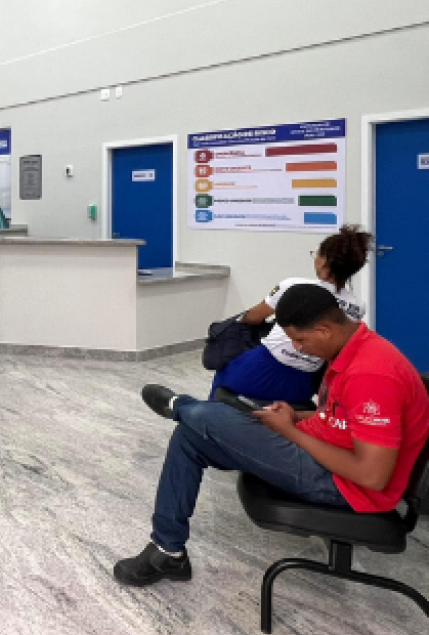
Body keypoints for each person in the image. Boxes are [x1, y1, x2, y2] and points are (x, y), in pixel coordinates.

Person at [113, 283, 429, 587]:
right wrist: (296, 417)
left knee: (206, 416)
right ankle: (168, 552)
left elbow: (372, 476)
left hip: (346, 487)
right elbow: (342, 420)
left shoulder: (372, 374)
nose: (298, 348)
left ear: (324, 330)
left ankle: (180, 405)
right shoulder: (352, 349)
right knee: (191, 436)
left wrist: (290, 431)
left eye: (300, 340)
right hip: (326, 457)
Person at [211, 225, 371, 404]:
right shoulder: (358, 307)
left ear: (324, 261)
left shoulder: (294, 286)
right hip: (303, 383)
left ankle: (209, 415)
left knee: (223, 367)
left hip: (262, 367)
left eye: (316, 254)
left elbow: (253, 317)